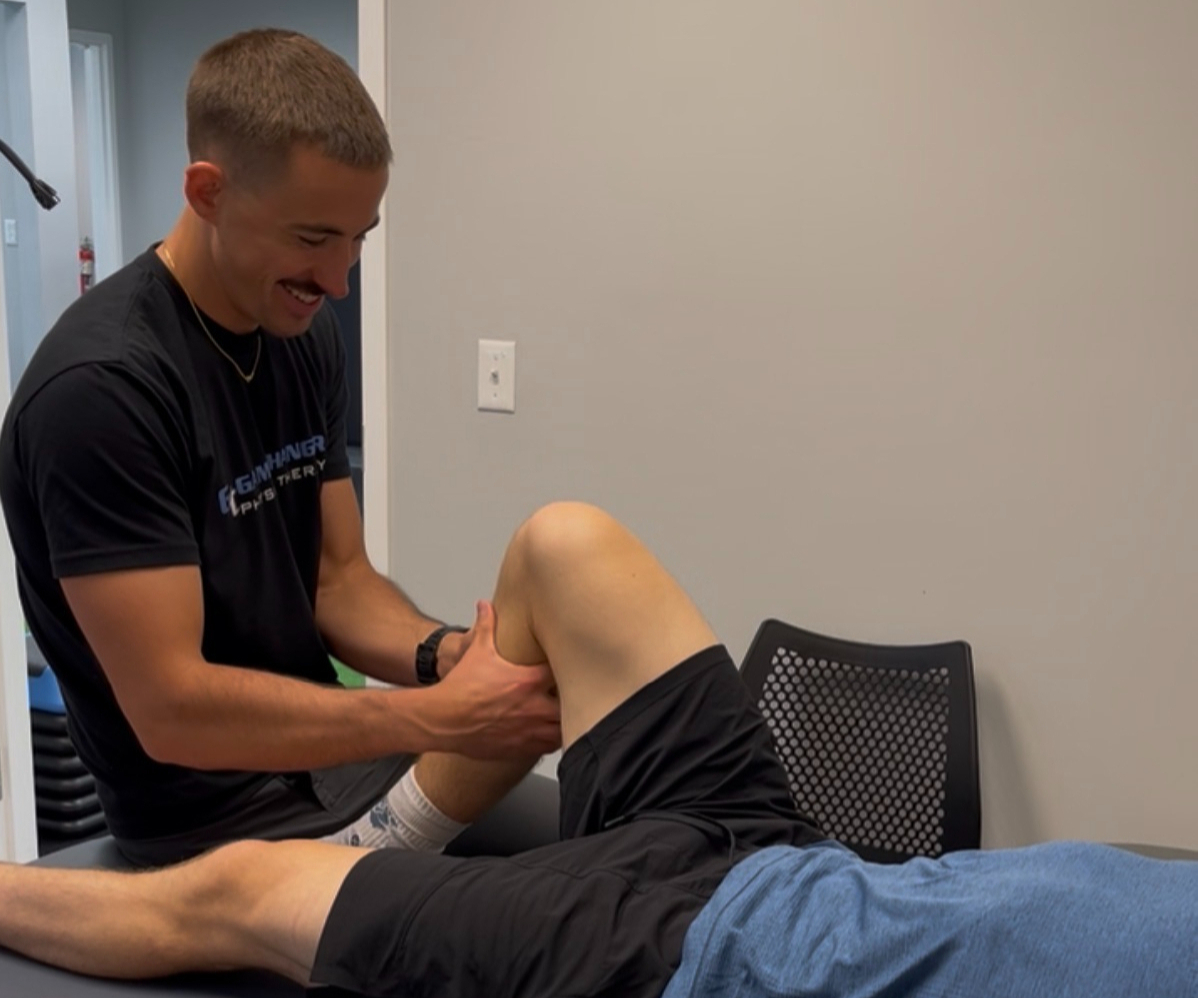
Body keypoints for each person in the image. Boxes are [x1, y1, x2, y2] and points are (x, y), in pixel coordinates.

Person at [0, 501, 1194, 998]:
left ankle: (357, 867)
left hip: (685, 957)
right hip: (799, 856)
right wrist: (434, 690)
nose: (339, 271)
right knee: (565, 542)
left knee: (247, 887)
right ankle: (388, 839)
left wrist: (414, 719)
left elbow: (319, 589)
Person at [0, 28, 560, 867]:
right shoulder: (102, 391)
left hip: (327, 771)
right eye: (312, 239)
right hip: (207, 828)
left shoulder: (300, 333)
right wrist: (435, 717)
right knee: (547, 925)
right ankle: (358, 874)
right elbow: (172, 709)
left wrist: (445, 658)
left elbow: (337, 582)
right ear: (207, 191)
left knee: (602, 834)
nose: (339, 281)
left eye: (359, 237)